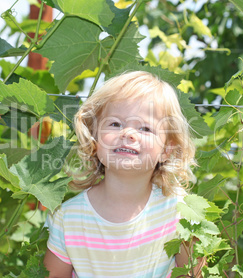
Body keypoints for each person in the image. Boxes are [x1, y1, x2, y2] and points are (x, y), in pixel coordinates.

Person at [43, 71, 205, 277]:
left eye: (145, 128)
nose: (128, 133)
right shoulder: (67, 218)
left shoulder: (178, 211)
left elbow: (192, 274)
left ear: (166, 150)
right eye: (115, 124)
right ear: (95, 138)